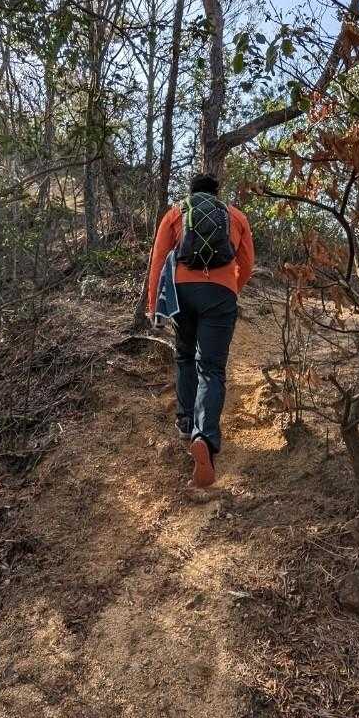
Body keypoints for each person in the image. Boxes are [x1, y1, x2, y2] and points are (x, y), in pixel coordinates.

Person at [147, 172, 255, 488]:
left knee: (184, 356)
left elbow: (158, 260)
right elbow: (247, 263)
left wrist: (154, 304)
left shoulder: (176, 213)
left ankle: (185, 422)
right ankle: (204, 437)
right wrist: (231, 287)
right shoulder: (235, 216)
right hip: (220, 294)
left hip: (182, 292)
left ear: (191, 192)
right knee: (211, 367)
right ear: (217, 193)